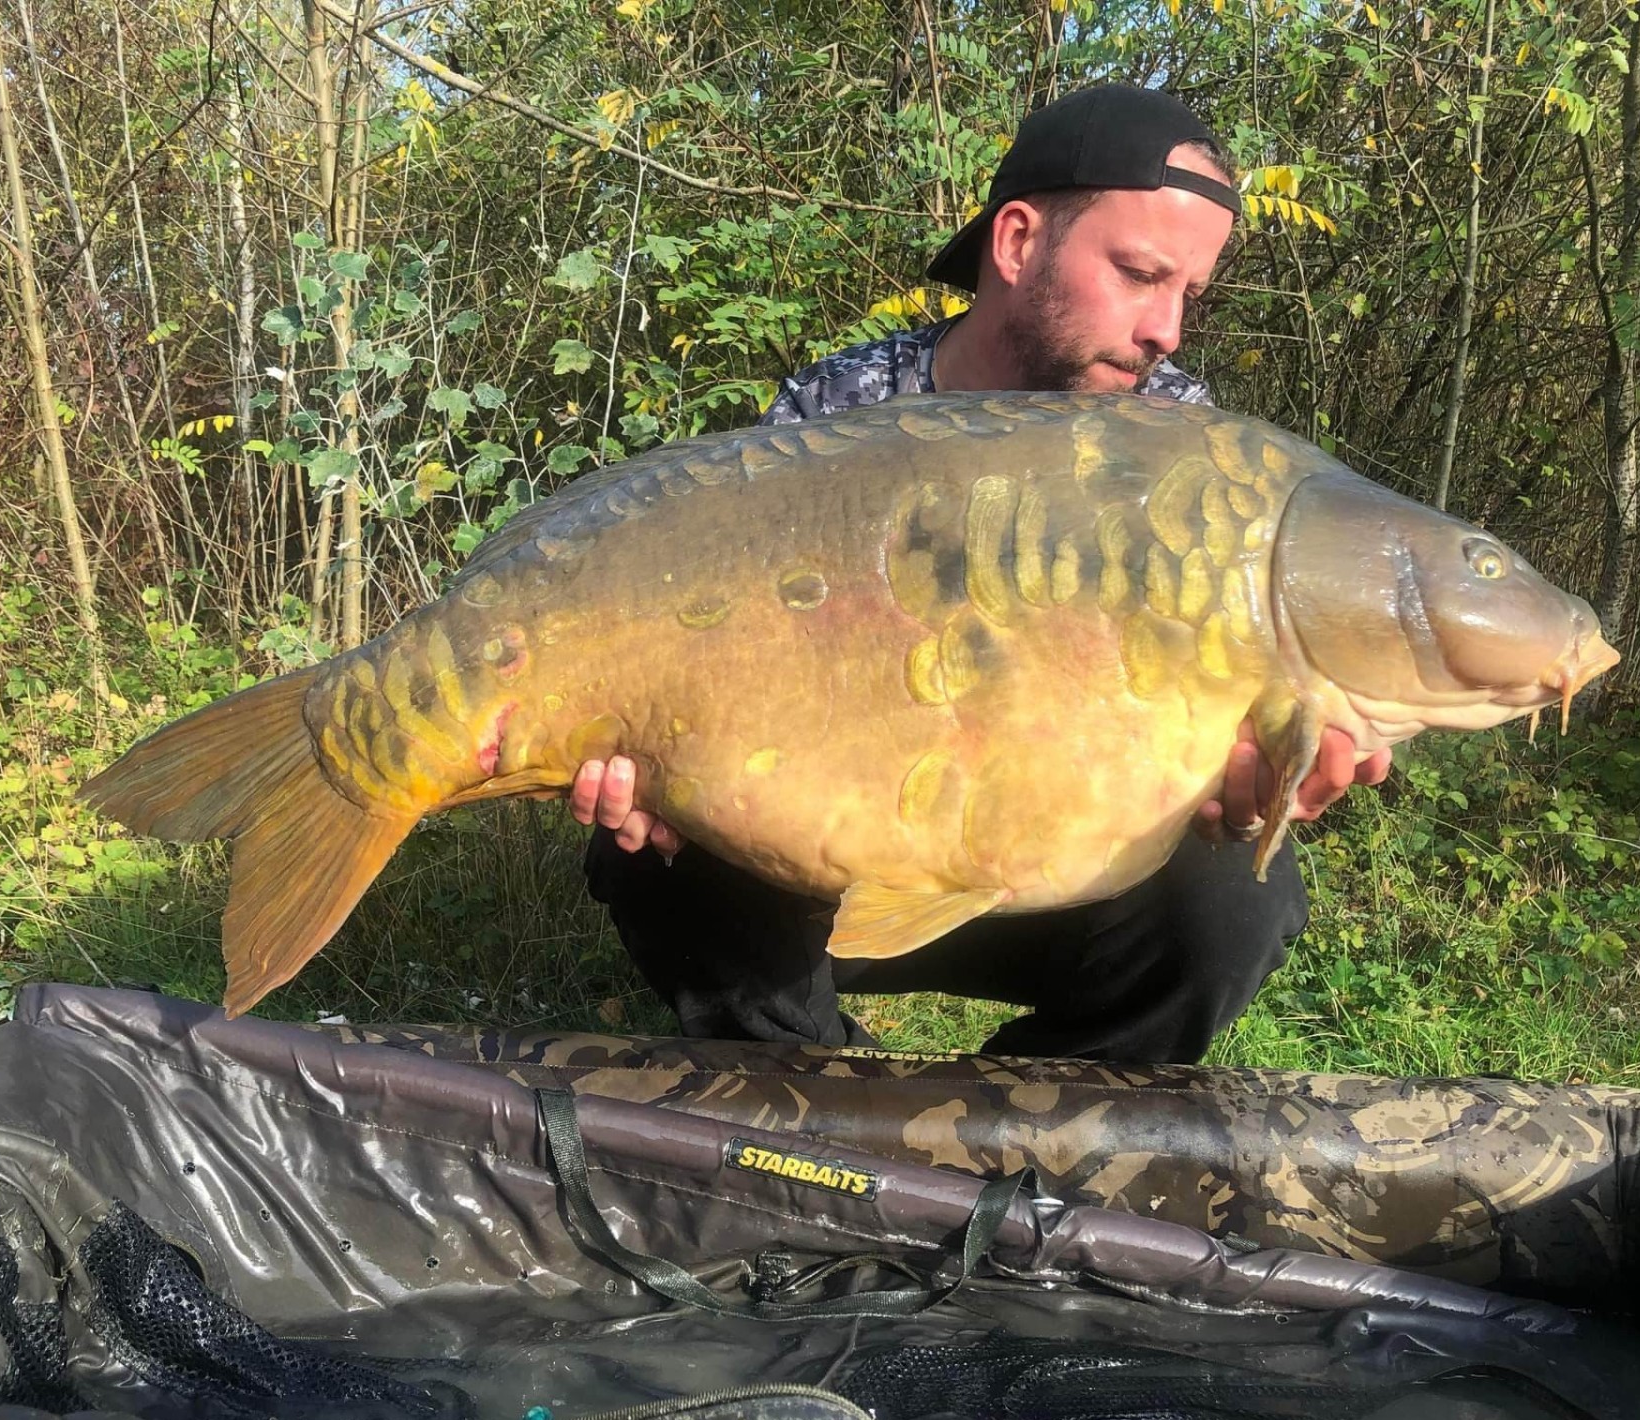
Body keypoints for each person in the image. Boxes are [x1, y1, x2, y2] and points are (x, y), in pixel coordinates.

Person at [571, 83, 1391, 1063]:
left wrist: (1258, 771)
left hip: (1062, 865)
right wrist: (650, 755)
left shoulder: (1180, 454)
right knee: (654, 854)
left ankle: (1036, 1127)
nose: (1166, 329)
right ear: (1015, 243)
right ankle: (805, 1092)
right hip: (836, 856)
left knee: (1238, 897)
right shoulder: (839, 413)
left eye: (1189, 294)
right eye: (1140, 274)